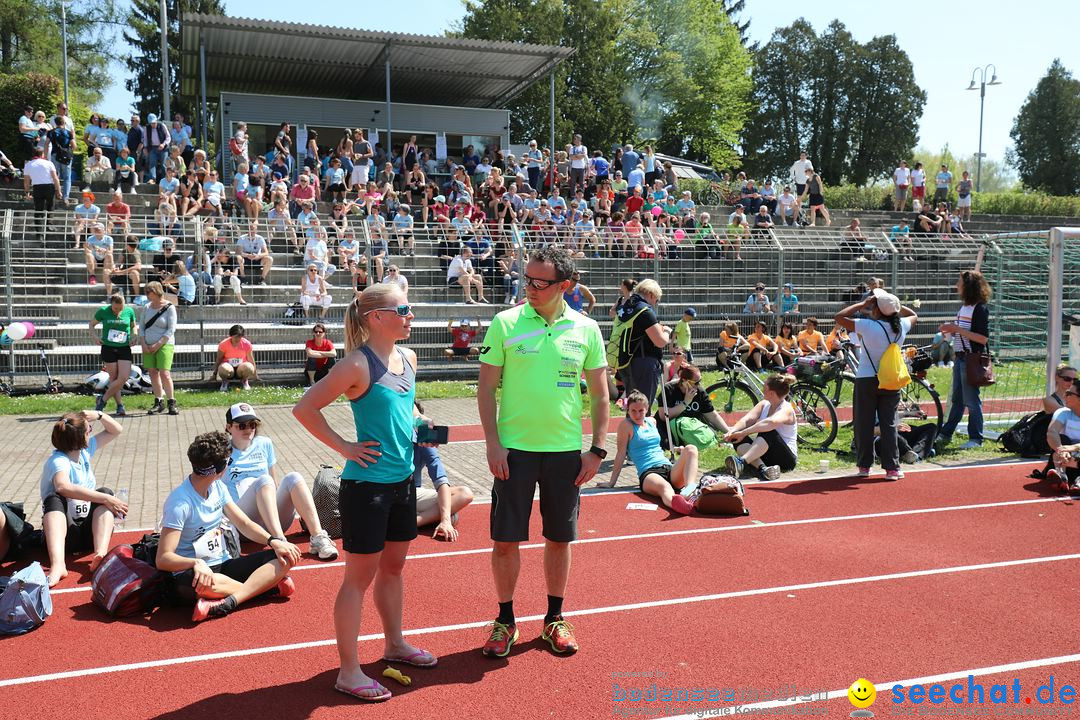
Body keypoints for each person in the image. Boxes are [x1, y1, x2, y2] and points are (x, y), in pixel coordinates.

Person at [293, 284, 439, 703]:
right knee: (358, 579)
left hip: (402, 483)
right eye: (404, 309)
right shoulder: (356, 364)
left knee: (393, 569)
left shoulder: (408, 357)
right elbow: (304, 408)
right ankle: (348, 670)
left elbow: (410, 410)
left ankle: (394, 644)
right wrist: (345, 448)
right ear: (377, 317)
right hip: (366, 487)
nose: (411, 316)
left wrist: (433, 437)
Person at [477, 246, 608, 659]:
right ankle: (505, 620)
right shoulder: (505, 322)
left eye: (540, 282)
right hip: (513, 453)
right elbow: (485, 388)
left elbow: (602, 395)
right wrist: (493, 443)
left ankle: (554, 618)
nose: (529, 287)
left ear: (565, 286)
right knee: (505, 541)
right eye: (526, 279)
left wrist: (598, 450)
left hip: (566, 453)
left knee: (559, 538)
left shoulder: (587, 329)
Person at [156, 431, 301, 623]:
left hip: (223, 565)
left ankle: (228, 602)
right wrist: (195, 563)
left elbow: (244, 523)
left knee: (284, 557)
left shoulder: (218, 488)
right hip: (191, 575)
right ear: (221, 468)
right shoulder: (180, 503)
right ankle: (266, 588)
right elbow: (163, 558)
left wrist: (274, 541)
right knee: (207, 585)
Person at [221, 402, 338, 560]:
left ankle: (318, 537)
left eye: (252, 424)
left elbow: (274, 484)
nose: (248, 429)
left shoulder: (264, 443)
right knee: (263, 480)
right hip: (242, 525)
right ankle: (279, 541)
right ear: (229, 427)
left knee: (294, 477)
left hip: (271, 520)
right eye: (241, 425)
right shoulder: (222, 451)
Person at [835, 289, 917, 479]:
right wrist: (894, 306)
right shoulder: (902, 325)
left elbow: (839, 317)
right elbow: (913, 315)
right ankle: (892, 468)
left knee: (864, 423)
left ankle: (865, 466)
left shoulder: (868, 326)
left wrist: (862, 304)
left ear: (877, 309)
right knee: (889, 424)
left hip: (867, 378)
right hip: (891, 379)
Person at [40, 410, 126, 587]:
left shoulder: (84, 452)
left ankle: (100, 554)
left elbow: (116, 430)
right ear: (80, 439)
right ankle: (58, 565)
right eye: (89, 430)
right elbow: (62, 486)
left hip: (87, 533)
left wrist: (100, 415)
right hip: (65, 537)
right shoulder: (59, 460)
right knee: (55, 499)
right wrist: (105, 498)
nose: (91, 433)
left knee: (106, 492)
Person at [597, 390, 696, 514]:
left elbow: (656, 446)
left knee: (691, 449)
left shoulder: (652, 422)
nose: (637, 415)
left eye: (641, 411)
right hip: (649, 473)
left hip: (668, 468)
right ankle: (676, 504)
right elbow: (621, 453)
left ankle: (690, 491)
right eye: (633, 411)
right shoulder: (626, 425)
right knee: (665, 487)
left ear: (647, 409)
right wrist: (612, 482)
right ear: (628, 410)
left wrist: (676, 449)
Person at [938, 270, 992, 449]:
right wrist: (952, 330)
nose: (956, 285)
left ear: (968, 286)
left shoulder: (980, 308)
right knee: (958, 400)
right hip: (961, 358)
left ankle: (976, 438)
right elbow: (964, 333)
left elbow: (982, 339)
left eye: (959, 282)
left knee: (971, 401)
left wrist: (957, 329)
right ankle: (946, 433)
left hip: (970, 359)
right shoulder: (965, 307)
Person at [413, 402, 475, 537]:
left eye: (419, 420)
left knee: (464, 493)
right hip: (386, 490)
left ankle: (413, 522)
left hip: (412, 493)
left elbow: (440, 479)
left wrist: (445, 520)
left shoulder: (424, 442)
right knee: (452, 514)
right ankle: (430, 518)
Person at [723, 374, 799, 481]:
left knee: (768, 431)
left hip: (786, 459)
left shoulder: (786, 409)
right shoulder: (764, 404)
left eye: (765, 387)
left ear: (772, 393)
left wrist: (743, 433)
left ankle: (741, 462)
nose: (762, 389)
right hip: (765, 454)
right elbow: (747, 420)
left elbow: (770, 423)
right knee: (736, 437)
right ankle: (763, 469)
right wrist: (732, 431)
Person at [617, 279, 669, 413]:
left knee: (633, 407)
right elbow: (660, 341)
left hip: (626, 361)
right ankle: (641, 433)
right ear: (651, 295)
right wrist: (667, 332)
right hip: (645, 363)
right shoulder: (644, 311)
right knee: (643, 409)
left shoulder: (626, 306)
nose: (655, 303)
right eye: (656, 300)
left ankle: (630, 433)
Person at [656, 364, 730, 451]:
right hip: (668, 430)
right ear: (684, 380)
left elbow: (713, 416)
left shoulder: (700, 392)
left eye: (700, 381)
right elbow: (663, 416)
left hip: (690, 430)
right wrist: (685, 403)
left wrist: (729, 432)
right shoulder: (669, 389)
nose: (699, 385)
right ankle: (675, 448)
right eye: (696, 382)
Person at [90, 293, 137, 416]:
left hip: (124, 348)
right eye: (115, 308)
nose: (117, 311)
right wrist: (95, 337)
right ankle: (120, 406)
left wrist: (134, 336)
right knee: (114, 379)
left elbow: (133, 326)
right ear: (111, 304)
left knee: (123, 377)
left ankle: (103, 399)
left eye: (120, 308)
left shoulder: (129, 311)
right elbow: (91, 324)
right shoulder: (103, 311)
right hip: (108, 348)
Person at [140, 281, 178, 416]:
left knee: (164, 373)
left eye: (149, 293)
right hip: (148, 345)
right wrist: (144, 344)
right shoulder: (146, 307)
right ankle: (158, 401)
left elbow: (171, 329)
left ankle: (171, 402)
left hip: (164, 344)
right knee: (152, 373)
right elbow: (142, 327)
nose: (147, 296)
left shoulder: (169, 307)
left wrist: (158, 344)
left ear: (157, 292)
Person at [1046, 378, 1080, 491]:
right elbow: (1052, 432)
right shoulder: (1063, 412)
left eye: (1069, 394)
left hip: (1077, 459)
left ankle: (1075, 480)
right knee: (1062, 439)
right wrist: (1061, 450)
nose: (1064, 396)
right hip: (1062, 459)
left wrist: (1073, 447)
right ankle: (1062, 476)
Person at [217, 324, 257, 392]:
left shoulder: (246, 344)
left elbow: (251, 360)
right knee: (223, 368)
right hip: (228, 368)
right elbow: (219, 359)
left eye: (239, 337)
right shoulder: (223, 344)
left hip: (241, 369)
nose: (237, 339)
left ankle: (244, 381)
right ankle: (225, 382)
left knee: (249, 366)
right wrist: (214, 374)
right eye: (235, 337)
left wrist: (255, 375)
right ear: (231, 335)